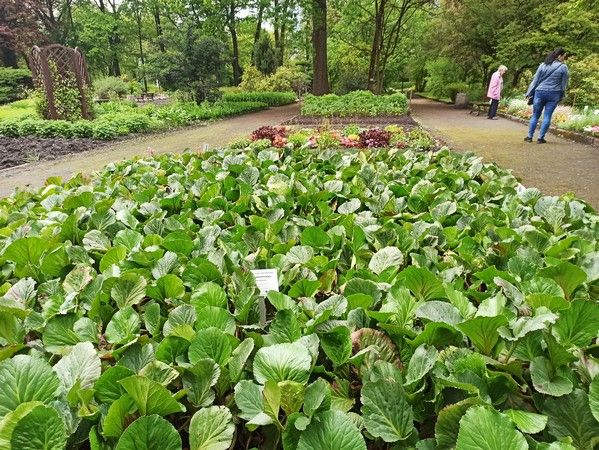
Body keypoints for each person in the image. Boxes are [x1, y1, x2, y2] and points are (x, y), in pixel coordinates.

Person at [524, 48, 569, 143]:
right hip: (554, 93)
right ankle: (540, 138)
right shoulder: (563, 67)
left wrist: (529, 93)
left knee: (535, 115)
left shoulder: (543, 65)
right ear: (559, 56)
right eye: (564, 56)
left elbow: (535, 80)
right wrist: (562, 95)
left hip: (539, 92)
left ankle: (529, 137)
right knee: (547, 116)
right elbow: (564, 84)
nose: (564, 58)